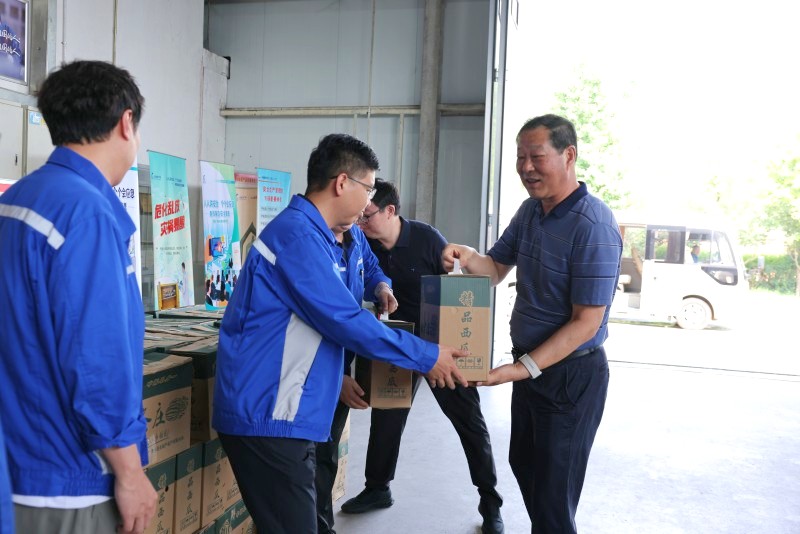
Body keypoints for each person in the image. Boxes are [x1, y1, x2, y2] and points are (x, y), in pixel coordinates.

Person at [212, 132, 469, 534]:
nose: (368, 202)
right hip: (269, 414)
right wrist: (426, 355)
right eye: (368, 188)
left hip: (291, 411)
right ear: (342, 182)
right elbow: (346, 320)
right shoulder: (298, 238)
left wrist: (380, 288)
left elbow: (349, 297)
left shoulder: (327, 235)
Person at [442, 114, 622, 534]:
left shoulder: (593, 225)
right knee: (524, 463)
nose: (526, 168)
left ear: (569, 156)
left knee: (553, 495)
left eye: (536, 157)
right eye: (520, 157)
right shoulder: (530, 212)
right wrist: (466, 254)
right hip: (533, 370)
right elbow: (493, 269)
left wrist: (517, 370)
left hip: (570, 377)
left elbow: (586, 323)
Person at [0, 60, 157, 533]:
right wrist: (129, 472)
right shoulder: (86, 214)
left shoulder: (17, 201)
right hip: (69, 476)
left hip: (17, 463)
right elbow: (96, 362)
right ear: (126, 123)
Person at [341, 179, 504, 534]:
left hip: (439, 346)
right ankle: (377, 488)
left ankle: (490, 501)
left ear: (390, 211)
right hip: (396, 344)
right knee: (387, 416)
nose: (361, 222)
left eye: (367, 216)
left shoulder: (427, 239)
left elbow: (456, 287)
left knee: (469, 421)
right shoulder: (364, 245)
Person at [314, 222, 397, 534]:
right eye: (365, 199)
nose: (364, 211)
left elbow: (371, 268)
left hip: (340, 361)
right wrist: (336, 380)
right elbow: (307, 322)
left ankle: (322, 525)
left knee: (326, 454)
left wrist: (382, 287)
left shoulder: (355, 235)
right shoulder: (308, 240)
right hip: (312, 376)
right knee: (312, 457)